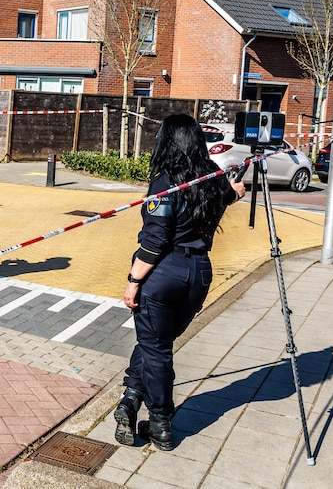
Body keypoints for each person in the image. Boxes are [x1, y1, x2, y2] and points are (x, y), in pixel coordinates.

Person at [116, 114, 246, 450]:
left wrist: (133, 280)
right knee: (157, 343)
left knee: (157, 349)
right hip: (199, 274)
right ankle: (129, 400)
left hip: (164, 273)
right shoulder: (214, 175)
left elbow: (155, 240)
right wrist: (235, 191)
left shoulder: (165, 183)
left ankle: (160, 423)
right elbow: (228, 196)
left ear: (168, 142)